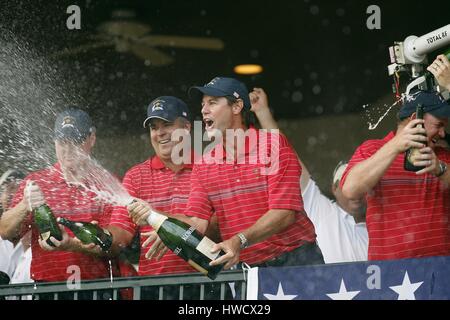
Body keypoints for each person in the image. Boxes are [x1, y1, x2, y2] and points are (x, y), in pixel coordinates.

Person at [129, 77, 323, 271]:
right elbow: (197, 222)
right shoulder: (205, 164)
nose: (204, 110)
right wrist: (160, 221)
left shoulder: (272, 145)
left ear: (237, 106)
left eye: (212, 102)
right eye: (203, 104)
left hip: (296, 261)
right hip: (247, 270)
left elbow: (285, 213)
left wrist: (239, 240)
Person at [108, 96, 229, 299]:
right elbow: (120, 233)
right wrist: (96, 239)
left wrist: (163, 223)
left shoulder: (211, 168)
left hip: (206, 285)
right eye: (154, 127)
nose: (160, 133)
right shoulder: (136, 176)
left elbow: (220, 228)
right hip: (153, 288)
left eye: (167, 124)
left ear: (187, 127)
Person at [0, 108, 113, 299]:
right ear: (54, 142)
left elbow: (112, 245)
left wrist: (72, 245)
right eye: (62, 142)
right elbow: (5, 230)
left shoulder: (107, 185)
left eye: (76, 141)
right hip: (47, 290)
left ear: (92, 139)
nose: (68, 149)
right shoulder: (35, 181)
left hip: (94, 290)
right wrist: (24, 205)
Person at [249, 88, 368, 263]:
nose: (354, 191)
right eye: (344, 182)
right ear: (334, 189)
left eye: (360, 184)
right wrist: (263, 113)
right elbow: (288, 158)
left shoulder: (384, 225)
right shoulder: (323, 211)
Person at [341, 89, 450, 260]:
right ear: (416, 119)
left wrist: (440, 168)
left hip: (441, 272)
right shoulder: (372, 149)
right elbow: (350, 190)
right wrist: (395, 147)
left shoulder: (442, 155)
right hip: (390, 274)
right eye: (439, 125)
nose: (443, 133)